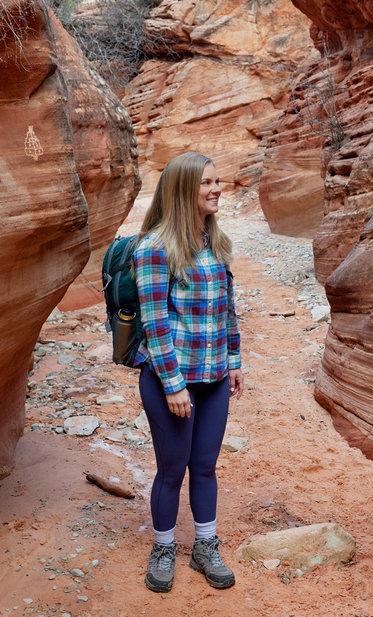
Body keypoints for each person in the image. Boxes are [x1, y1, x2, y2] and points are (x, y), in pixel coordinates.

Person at [132, 151, 245, 594]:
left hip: (214, 378)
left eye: (217, 181)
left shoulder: (215, 243)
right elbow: (155, 324)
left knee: (205, 466)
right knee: (171, 469)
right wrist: (173, 384)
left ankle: (204, 545)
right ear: (183, 190)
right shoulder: (155, 248)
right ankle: (163, 547)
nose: (216, 189)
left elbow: (227, 311)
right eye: (206, 183)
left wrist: (233, 361)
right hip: (169, 382)